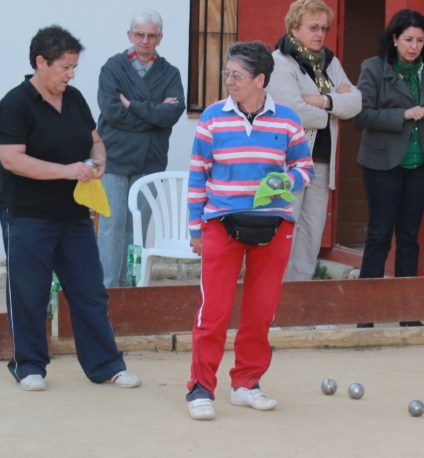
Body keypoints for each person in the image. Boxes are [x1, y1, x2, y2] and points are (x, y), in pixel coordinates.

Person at [0, 25, 141, 392]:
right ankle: (29, 367)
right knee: (30, 291)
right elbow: (12, 160)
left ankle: (106, 365)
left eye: (74, 67)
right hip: (26, 213)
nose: (71, 75)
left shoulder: (74, 99)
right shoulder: (14, 104)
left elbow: (94, 140)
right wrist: (68, 171)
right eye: (65, 67)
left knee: (89, 290)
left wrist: (98, 159)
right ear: (41, 62)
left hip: (73, 213)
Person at [184, 41, 313, 421]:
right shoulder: (212, 118)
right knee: (215, 311)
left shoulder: (287, 120)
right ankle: (200, 388)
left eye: (237, 75)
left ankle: (246, 384)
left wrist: (286, 180)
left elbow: (305, 168)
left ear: (260, 79)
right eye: (228, 74)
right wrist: (195, 229)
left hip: (274, 226)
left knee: (261, 311)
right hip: (220, 224)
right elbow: (197, 175)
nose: (229, 81)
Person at [354, 9, 424, 327]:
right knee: (379, 235)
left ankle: (407, 312)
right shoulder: (373, 67)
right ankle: (365, 312)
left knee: (409, 236)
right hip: (382, 164)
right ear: (394, 38)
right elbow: (361, 115)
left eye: (420, 40)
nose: (414, 46)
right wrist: (403, 115)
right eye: (408, 39)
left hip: (422, 164)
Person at [266, 0, 361, 282]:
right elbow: (293, 111)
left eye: (324, 29)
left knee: (312, 229)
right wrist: (334, 108)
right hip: (290, 162)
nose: (320, 34)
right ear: (294, 28)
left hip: (321, 161)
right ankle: (277, 290)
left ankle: (301, 291)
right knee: (285, 224)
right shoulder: (279, 62)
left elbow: (356, 102)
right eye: (313, 28)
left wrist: (323, 101)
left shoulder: (330, 62)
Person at [96, 8, 186, 288]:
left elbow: (171, 114)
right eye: (140, 34)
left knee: (137, 227)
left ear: (160, 38)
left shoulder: (169, 73)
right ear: (130, 35)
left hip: (150, 161)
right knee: (111, 225)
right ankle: (107, 288)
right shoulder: (113, 68)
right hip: (114, 158)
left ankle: (130, 288)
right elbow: (112, 112)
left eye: (151, 36)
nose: (145, 41)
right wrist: (153, 114)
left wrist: (133, 105)